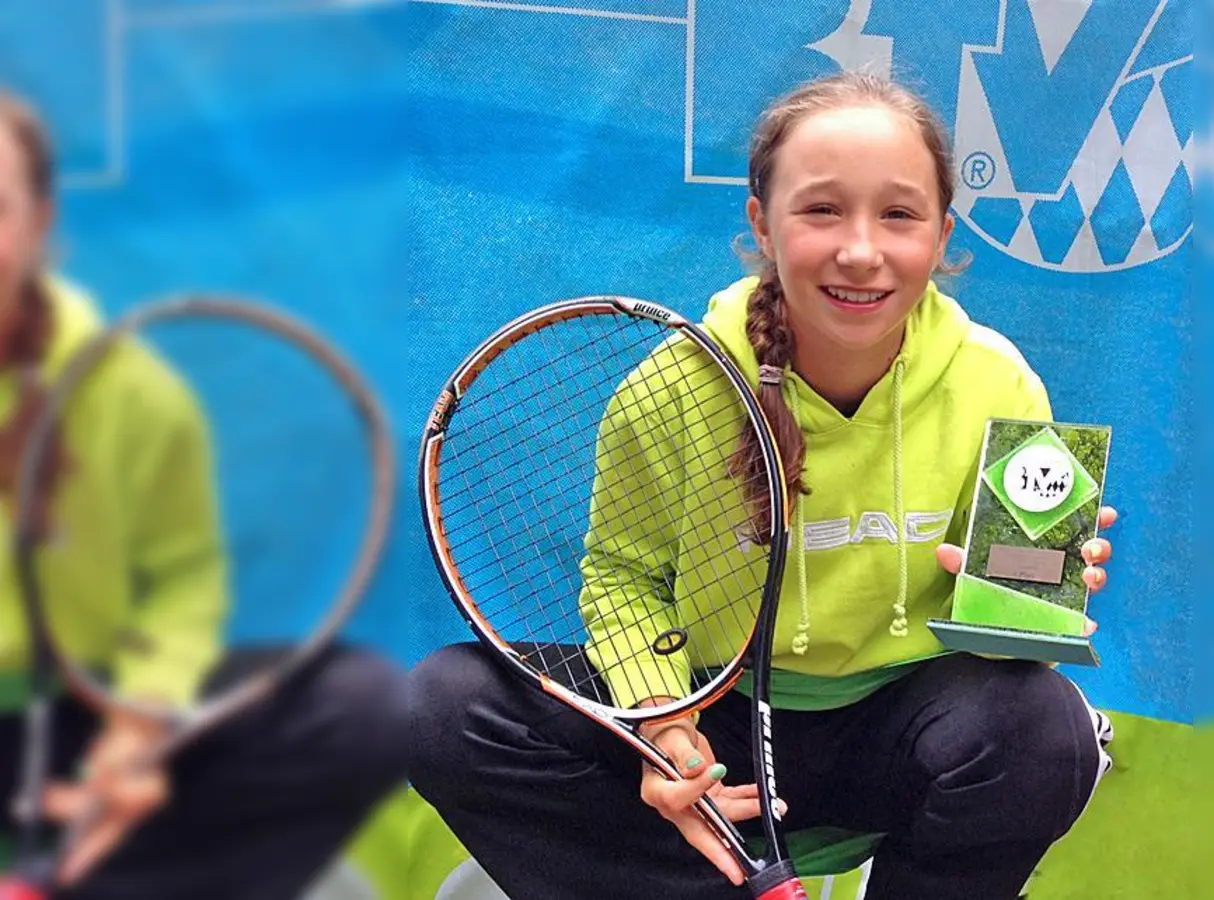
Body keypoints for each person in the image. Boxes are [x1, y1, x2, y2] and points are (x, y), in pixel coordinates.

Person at [411, 71, 1119, 899]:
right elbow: (622, 577)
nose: (861, 249)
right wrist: (664, 726)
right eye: (822, 210)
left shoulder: (1000, 383)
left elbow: (1013, 653)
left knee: (1047, 728)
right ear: (763, 223)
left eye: (898, 214)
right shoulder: (670, 385)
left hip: (895, 733)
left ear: (941, 233)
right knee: (441, 707)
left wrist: (1025, 602)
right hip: (721, 730)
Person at [0, 90, 406, 899]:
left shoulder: (134, 392)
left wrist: (139, 722)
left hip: (80, 712)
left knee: (365, 709)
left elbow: (184, 577)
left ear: (40, 220)